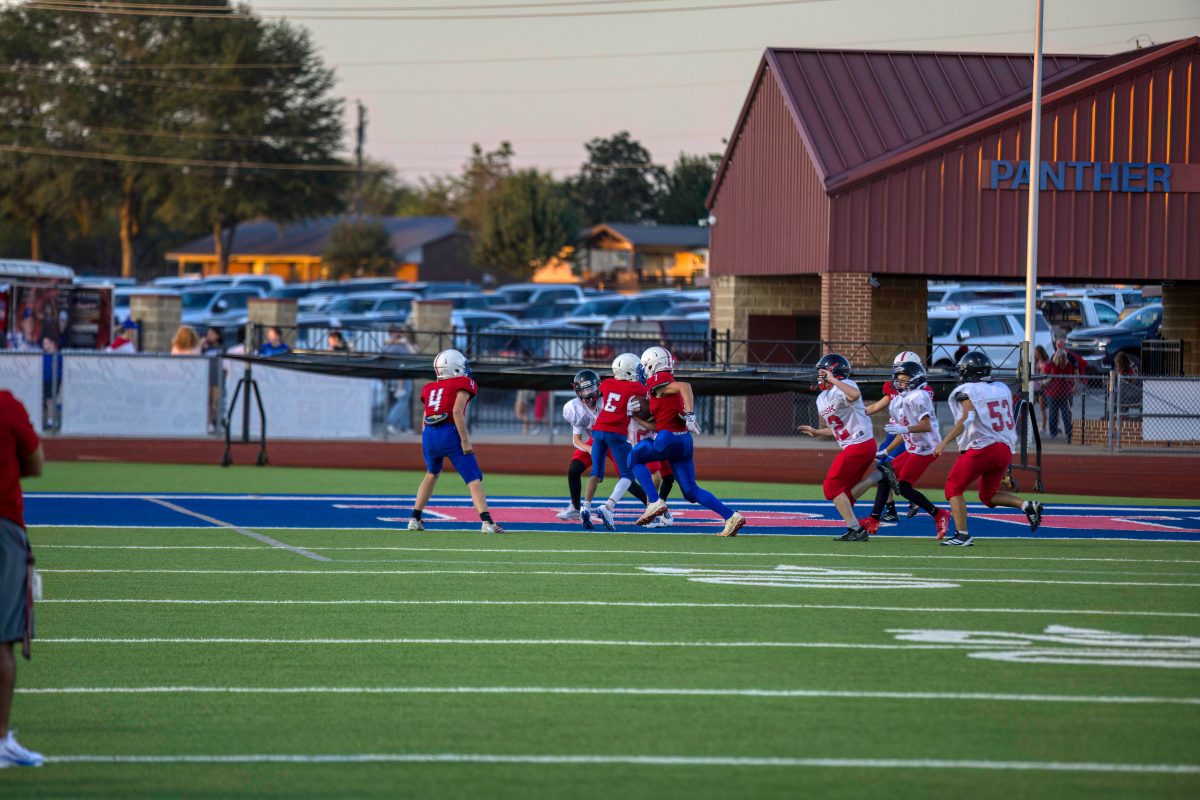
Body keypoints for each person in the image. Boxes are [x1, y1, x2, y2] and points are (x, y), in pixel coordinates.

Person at [631, 346, 745, 537]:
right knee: (690, 491)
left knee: (634, 457)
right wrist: (635, 417)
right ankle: (731, 516)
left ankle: (654, 501)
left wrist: (691, 414)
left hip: (668, 440)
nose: (643, 371)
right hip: (683, 440)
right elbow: (657, 425)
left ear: (652, 364)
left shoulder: (658, 379)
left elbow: (685, 386)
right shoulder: (665, 384)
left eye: (644, 366)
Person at [934, 351, 1044, 547]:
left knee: (953, 487)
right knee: (988, 496)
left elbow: (967, 418)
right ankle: (1026, 505)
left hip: (984, 448)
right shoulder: (1001, 387)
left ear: (970, 372)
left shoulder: (969, 390)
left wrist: (944, 441)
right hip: (1004, 449)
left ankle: (962, 535)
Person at [407, 349, 503, 534]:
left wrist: (428, 439)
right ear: (455, 367)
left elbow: (426, 417)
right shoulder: (464, 383)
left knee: (431, 474)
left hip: (429, 435)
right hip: (449, 433)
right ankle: (487, 522)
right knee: (473, 479)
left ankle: (414, 518)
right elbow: (457, 412)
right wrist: (465, 441)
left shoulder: (429, 387)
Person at [0, 391, 45, 767]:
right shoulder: (7, 406)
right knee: (2, 641)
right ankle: (0, 740)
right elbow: (34, 463)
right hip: (3, 526)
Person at [859, 360, 952, 539]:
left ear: (916, 380)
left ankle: (939, 514)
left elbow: (926, 425)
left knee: (903, 486)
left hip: (926, 448)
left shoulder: (918, 396)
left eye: (904, 379)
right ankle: (873, 519)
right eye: (898, 379)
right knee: (885, 474)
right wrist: (887, 450)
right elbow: (904, 430)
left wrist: (903, 429)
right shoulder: (898, 400)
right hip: (913, 447)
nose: (900, 382)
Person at [798, 353, 877, 542]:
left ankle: (856, 530)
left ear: (834, 373)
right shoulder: (821, 398)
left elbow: (855, 395)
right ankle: (879, 475)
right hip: (856, 446)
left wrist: (833, 380)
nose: (820, 377)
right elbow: (837, 428)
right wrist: (817, 432)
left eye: (823, 373)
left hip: (859, 444)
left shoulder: (844, 386)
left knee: (831, 487)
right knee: (845, 495)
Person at [557, 369, 651, 526]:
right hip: (596, 440)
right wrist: (589, 449)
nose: (588, 393)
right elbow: (577, 439)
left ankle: (650, 506)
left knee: (628, 477)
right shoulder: (573, 408)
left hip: (613, 438)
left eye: (591, 388)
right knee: (574, 469)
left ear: (598, 386)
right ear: (577, 391)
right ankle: (575, 507)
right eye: (584, 390)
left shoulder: (608, 398)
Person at [583, 353, 648, 531]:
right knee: (628, 475)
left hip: (598, 430)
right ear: (628, 370)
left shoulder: (606, 383)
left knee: (596, 473)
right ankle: (608, 506)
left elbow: (599, 396)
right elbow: (648, 399)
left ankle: (585, 508)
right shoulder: (636, 387)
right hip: (616, 432)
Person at [384, 325, 417, 435]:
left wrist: (405, 342)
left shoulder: (398, 344)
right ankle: (391, 423)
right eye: (396, 332)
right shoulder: (394, 345)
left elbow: (414, 354)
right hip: (400, 376)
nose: (399, 334)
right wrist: (401, 342)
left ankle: (405, 427)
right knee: (402, 400)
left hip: (404, 375)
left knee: (404, 401)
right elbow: (412, 355)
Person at [1041, 347, 1078, 439]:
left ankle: (1068, 432)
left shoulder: (1068, 365)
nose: (1063, 359)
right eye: (1061, 357)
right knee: (1053, 414)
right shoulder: (1051, 364)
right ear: (1057, 357)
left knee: (1066, 413)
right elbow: (1044, 376)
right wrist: (1051, 378)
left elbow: (1071, 378)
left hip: (1064, 394)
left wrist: (1066, 379)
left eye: (1064, 357)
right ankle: (1053, 433)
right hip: (1052, 393)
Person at [40, 337, 63, 432]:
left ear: (52, 344)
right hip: (45, 380)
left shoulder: (58, 355)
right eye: (43, 343)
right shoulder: (43, 355)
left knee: (51, 400)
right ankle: (50, 420)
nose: (44, 346)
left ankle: (52, 421)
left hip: (54, 380)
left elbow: (60, 368)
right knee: (47, 401)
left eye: (46, 343)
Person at [1032, 344, 1050, 432]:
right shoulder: (1035, 361)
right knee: (1030, 407)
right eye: (1035, 353)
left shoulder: (1045, 362)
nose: (1036, 354)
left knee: (1042, 408)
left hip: (1041, 388)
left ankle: (1043, 427)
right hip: (1034, 387)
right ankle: (1028, 426)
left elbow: (1045, 373)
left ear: (1041, 353)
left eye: (1037, 353)